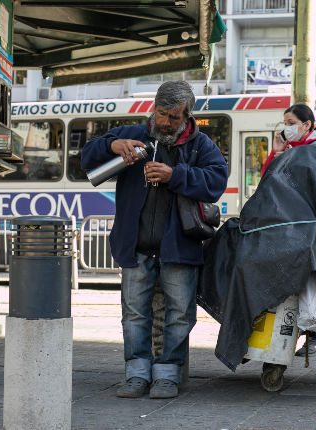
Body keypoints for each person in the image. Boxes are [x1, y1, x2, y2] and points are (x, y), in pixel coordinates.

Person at [80, 81, 228, 399]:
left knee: (181, 313)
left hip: (181, 248)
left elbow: (217, 180)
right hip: (135, 247)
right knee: (134, 313)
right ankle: (136, 375)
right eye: (162, 113)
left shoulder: (201, 145)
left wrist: (176, 176)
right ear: (154, 107)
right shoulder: (132, 133)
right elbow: (87, 159)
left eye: (174, 117)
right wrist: (112, 146)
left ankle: (167, 376)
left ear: (187, 115)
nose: (165, 123)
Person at [260, 104, 316, 357]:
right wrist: (276, 153)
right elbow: (267, 182)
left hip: (312, 228)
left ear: (307, 125)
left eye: (291, 122)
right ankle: (289, 334)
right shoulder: (290, 152)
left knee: (309, 281)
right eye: (285, 122)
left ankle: (314, 337)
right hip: (289, 226)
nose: (286, 127)